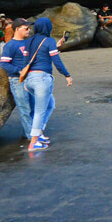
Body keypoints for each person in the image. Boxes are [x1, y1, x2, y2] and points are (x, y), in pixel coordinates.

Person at [23, 17, 73, 151]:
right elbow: (56, 60)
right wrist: (66, 75)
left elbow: (29, 57)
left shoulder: (29, 41)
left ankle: (38, 133)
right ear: (48, 28)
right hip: (42, 79)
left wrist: (54, 46)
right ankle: (33, 143)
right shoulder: (49, 41)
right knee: (40, 110)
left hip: (29, 80)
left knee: (50, 104)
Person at [0, 18, 35, 141]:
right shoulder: (10, 45)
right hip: (17, 80)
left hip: (30, 79)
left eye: (29, 28)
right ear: (18, 29)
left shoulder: (28, 43)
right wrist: (20, 70)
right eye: (26, 28)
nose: (28, 30)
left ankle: (31, 133)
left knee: (33, 107)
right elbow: (4, 64)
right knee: (24, 108)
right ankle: (32, 137)